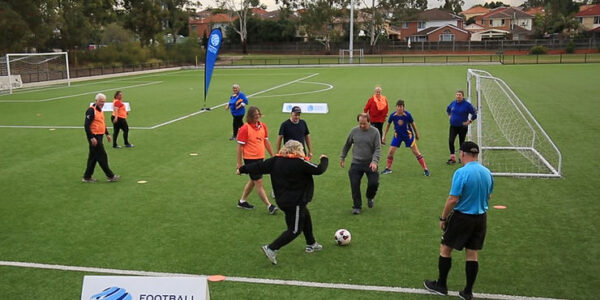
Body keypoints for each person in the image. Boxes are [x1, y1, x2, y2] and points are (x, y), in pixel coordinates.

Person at [237, 140, 328, 265]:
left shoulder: (275, 161)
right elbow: (319, 169)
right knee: (295, 230)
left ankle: (311, 243)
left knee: (305, 216)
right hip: (295, 201)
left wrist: (242, 169)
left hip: (282, 200)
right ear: (297, 150)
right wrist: (324, 159)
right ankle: (271, 248)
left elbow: (258, 166)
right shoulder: (300, 163)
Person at [424, 141, 493, 300]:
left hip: (462, 217)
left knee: (445, 249)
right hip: (481, 219)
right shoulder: (487, 172)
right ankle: (467, 292)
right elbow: (489, 196)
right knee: (472, 254)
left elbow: (453, 199)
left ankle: (441, 285)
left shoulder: (461, 173)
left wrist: (443, 217)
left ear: (462, 154)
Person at [236, 106, 278, 214]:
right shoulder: (245, 128)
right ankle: (269, 206)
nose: (257, 117)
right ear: (250, 116)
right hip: (250, 159)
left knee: (253, 180)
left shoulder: (263, 126)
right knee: (258, 181)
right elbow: (240, 147)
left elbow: (266, 141)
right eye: (255, 115)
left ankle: (242, 201)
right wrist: (239, 164)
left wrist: (273, 155)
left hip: (260, 158)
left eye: (258, 114)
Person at [340, 113, 381, 215]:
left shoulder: (375, 132)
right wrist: (342, 157)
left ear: (369, 122)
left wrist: (374, 161)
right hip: (356, 163)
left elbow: (378, 149)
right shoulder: (354, 131)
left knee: (373, 183)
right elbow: (347, 144)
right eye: (360, 124)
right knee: (354, 185)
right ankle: (357, 206)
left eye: (364, 124)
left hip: (370, 163)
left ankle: (370, 197)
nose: (362, 126)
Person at [381, 100, 430, 176]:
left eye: (401, 107)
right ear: (396, 107)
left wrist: (417, 134)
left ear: (403, 107)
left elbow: (413, 124)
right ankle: (388, 168)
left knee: (416, 152)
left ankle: (425, 169)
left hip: (408, 136)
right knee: (390, 152)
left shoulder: (407, 115)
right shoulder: (393, 115)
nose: (399, 108)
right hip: (397, 136)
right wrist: (384, 136)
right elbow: (388, 125)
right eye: (398, 107)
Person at [82, 93, 120, 183]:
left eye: (103, 102)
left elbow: (101, 123)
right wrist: (91, 137)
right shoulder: (91, 111)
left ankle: (87, 176)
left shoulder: (100, 110)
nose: (102, 103)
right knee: (102, 156)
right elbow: (86, 125)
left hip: (99, 135)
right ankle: (110, 175)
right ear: (96, 101)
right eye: (101, 101)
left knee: (93, 157)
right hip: (94, 137)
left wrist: (107, 133)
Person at [446, 90, 477, 164]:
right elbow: (448, 109)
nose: (458, 96)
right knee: (451, 141)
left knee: (461, 142)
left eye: (459, 95)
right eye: (457, 95)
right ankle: (452, 158)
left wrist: (469, 121)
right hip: (453, 126)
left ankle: (461, 158)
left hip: (462, 127)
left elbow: (474, 114)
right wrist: (450, 116)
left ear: (462, 96)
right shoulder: (453, 103)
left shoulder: (467, 105)